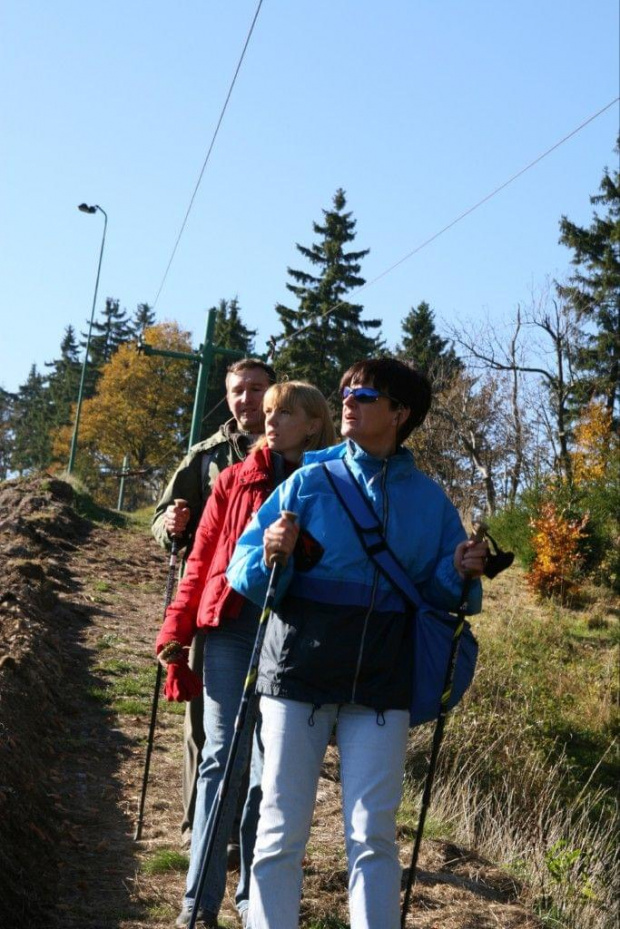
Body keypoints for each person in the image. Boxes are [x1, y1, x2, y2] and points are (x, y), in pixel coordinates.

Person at [226, 357, 488, 929]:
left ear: (400, 414)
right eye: (346, 391)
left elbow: (439, 596)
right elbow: (244, 572)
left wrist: (461, 569)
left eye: (365, 394)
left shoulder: (430, 501)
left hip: (381, 680)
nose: (348, 401)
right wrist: (272, 551)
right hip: (296, 672)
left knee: (373, 835)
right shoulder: (309, 481)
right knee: (279, 829)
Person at [156, 381, 336, 929]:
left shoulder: (332, 486)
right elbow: (202, 561)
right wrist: (175, 634)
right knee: (221, 758)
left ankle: (252, 898)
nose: (268, 418)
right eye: (268, 411)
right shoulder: (234, 479)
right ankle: (198, 902)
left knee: (271, 769)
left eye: (283, 412)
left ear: (312, 424)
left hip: (297, 634)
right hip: (233, 629)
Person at [152, 357, 276, 853]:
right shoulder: (205, 457)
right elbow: (164, 514)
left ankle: (246, 832)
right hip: (212, 604)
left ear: (273, 393)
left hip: (272, 605)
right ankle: (197, 827)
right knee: (205, 722)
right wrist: (171, 526)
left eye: (256, 389)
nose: (245, 399)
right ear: (226, 397)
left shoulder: (299, 451)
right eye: (237, 390)